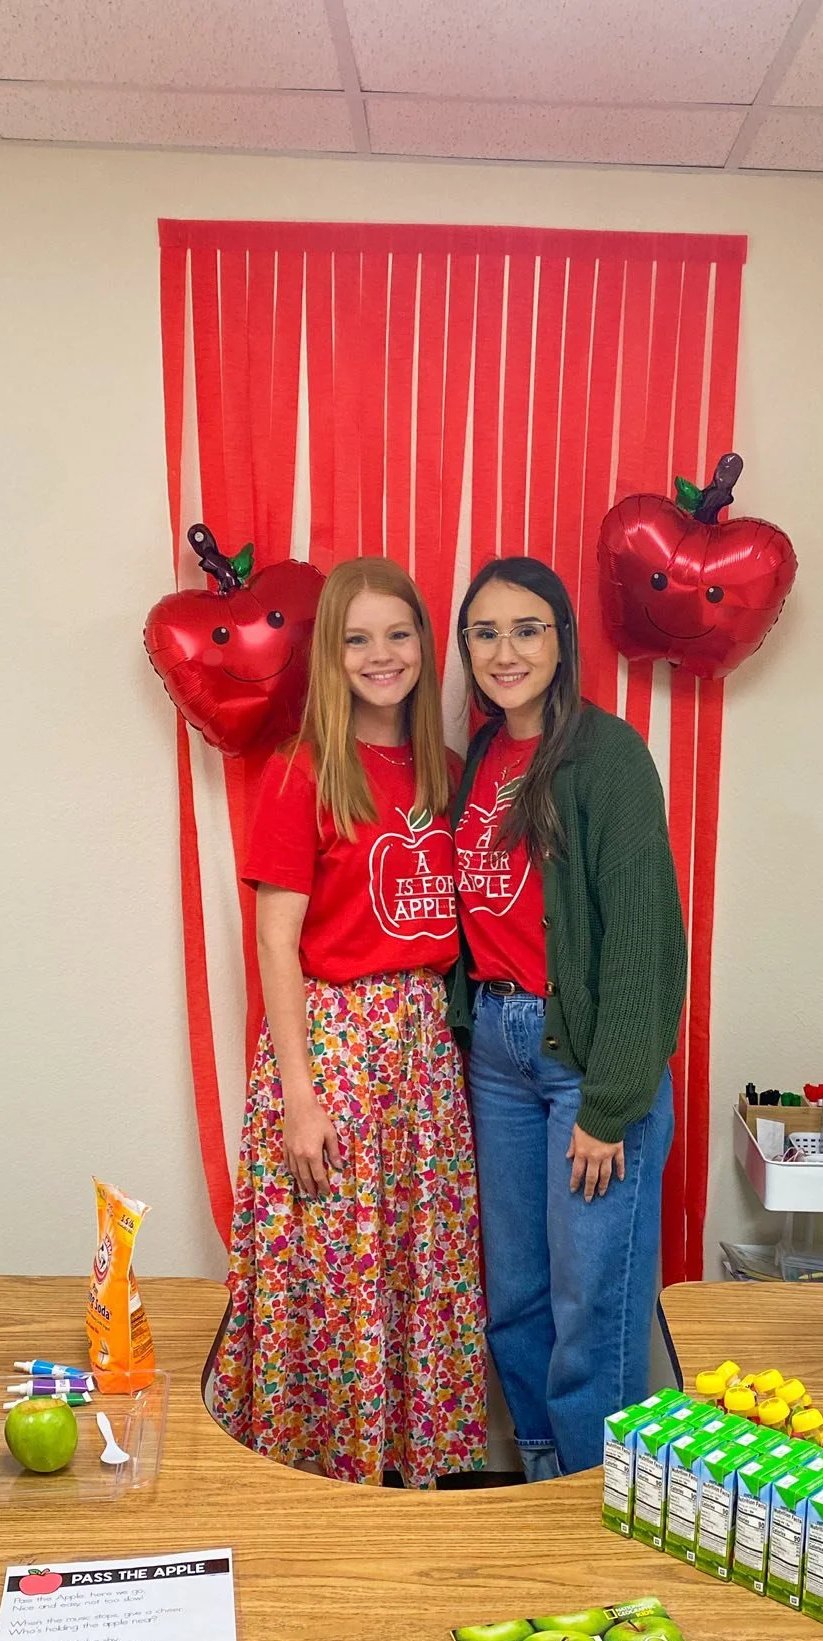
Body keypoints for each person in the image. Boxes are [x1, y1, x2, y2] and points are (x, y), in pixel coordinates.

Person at [210, 557, 486, 1488]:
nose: (381, 655)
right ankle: (323, 1483)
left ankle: (406, 1475)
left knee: (416, 1261)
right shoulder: (304, 771)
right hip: (335, 1046)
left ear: (425, 646)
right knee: (337, 1268)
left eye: (398, 634)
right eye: (357, 638)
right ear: (330, 654)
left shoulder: (448, 774)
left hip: (422, 1052)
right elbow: (275, 940)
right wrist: (299, 1096)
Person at [449, 557, 685, 1482]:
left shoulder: (607, 755)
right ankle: (543, 1484)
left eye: (527, 629)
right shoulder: (480, 756)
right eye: (485, 633)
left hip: (585, 1061)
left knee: (593, 1301)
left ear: (562, 641)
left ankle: (597, 1496)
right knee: (515, 1293)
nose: (505, 651)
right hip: (498, 1057)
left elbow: (643, 939)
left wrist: (611, 1103)